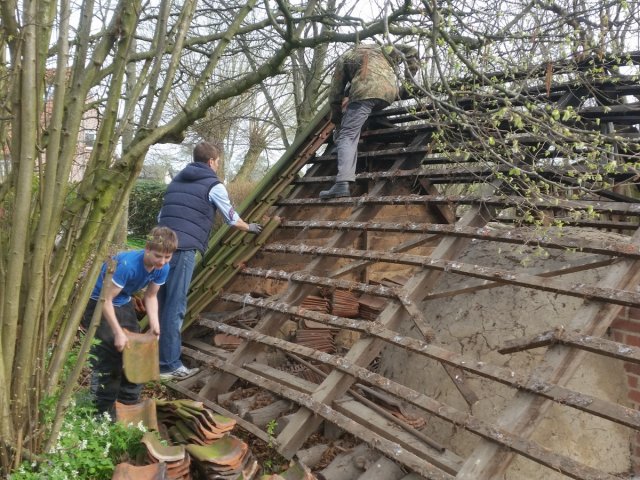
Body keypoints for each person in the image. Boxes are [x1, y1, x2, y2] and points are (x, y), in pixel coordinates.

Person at [157, 141, 263, 380]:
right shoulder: (213, 185)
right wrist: (250, 227)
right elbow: (231, 218)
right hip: (182, 248)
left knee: (162, 303)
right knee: (176, 307)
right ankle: (169, 366)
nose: (217, 166)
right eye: (218, 162)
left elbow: (162, 214)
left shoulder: (176, 181)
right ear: (211, 162)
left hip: (160, 246)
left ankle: (158, 360)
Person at [82, 226, 178, 417]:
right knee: (110, 352)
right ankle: (100, 411)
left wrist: (155, 326)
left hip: (123, 301)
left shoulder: (163, 268)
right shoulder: (127, 265)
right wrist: (118, 332)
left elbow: (151, 296)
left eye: (167, 257)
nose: (162, 262)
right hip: (98, 302)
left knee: (136, 350)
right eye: (158, 256)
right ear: (147, 249)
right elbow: (106, 300)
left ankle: (128, 405)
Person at [320, 43, 419, 200]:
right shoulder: (383, 48)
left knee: (347, 135)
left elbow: (335, 94)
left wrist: (338, 121)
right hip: (389, 93)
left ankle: (342, 184)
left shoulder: (346, 57)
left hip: (364, 93)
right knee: (362, 114)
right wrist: (408, 85)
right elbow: (412, 51)